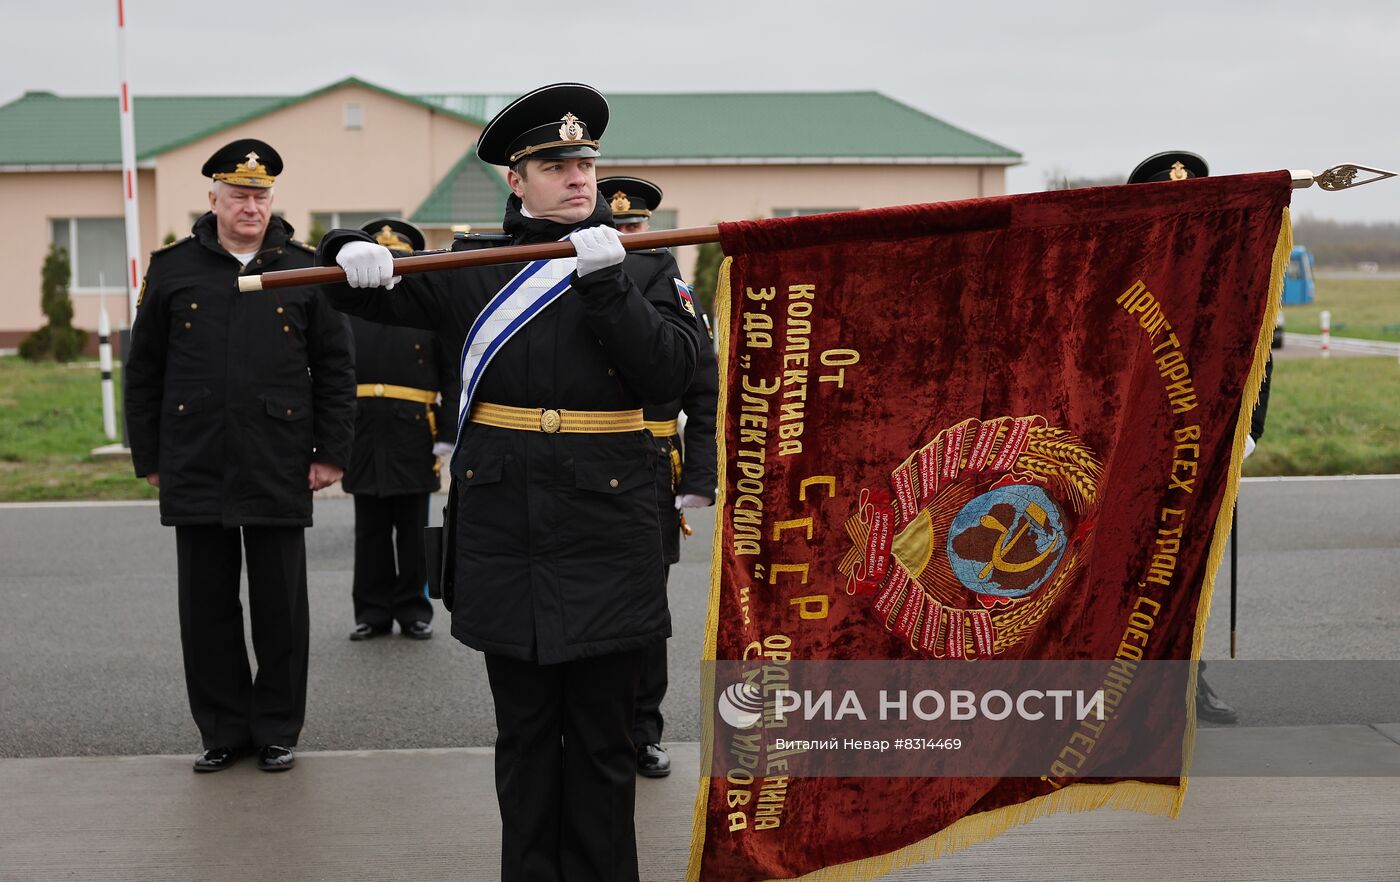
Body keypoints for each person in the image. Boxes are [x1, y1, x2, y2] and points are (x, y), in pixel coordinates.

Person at [318, 83, 701, 881]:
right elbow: (372, 281)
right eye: (555, 164)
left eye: (585, 161)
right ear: (515, 181)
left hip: (609, 532)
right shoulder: (473, 263)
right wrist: (345, 246)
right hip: (508, 532)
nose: (577, 176)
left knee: (603, 742)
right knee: (525, 738)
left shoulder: (646, 267)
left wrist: (606, 284)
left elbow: (671, 373)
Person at [124, 139, 355, 772]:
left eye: (260, 195)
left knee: (281, 605)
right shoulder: (173, 269)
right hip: (194, 456)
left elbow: (335, 368)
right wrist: (150, 454)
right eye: (238, 195)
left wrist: (331, 452)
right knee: (206, 607)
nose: (250, 205)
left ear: (271, 200)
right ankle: (223, 730)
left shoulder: (302, 268)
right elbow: (143, 369)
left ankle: (278, 727)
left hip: (279, 456)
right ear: (214, 200)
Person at [1128, 150, 1276, 725]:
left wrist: (1247, 435)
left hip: (1209, 449)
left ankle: (1190, 679)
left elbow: (1258, 358)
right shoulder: (1123, 266)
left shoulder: (1232, 271)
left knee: (1190, 566)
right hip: (1136, 452)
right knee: (1127, 569)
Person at [598, 176, 719, 778]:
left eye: (635, 225)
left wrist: (699, 475)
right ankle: (592, 729)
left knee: (645, 610)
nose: (626, 235)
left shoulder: (667, 283)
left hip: (651, 467)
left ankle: (643, 729)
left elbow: (701, 388)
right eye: (615, 225)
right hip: (586, 464)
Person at [343, 218, 456, 642]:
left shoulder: (426, 310)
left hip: (414, 431)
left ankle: (414, 610)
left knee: (412, 530)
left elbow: (451, 376)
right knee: (369, 530)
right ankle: (371, 613)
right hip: (361, 429)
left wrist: (447, 432)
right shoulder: (348, 308)